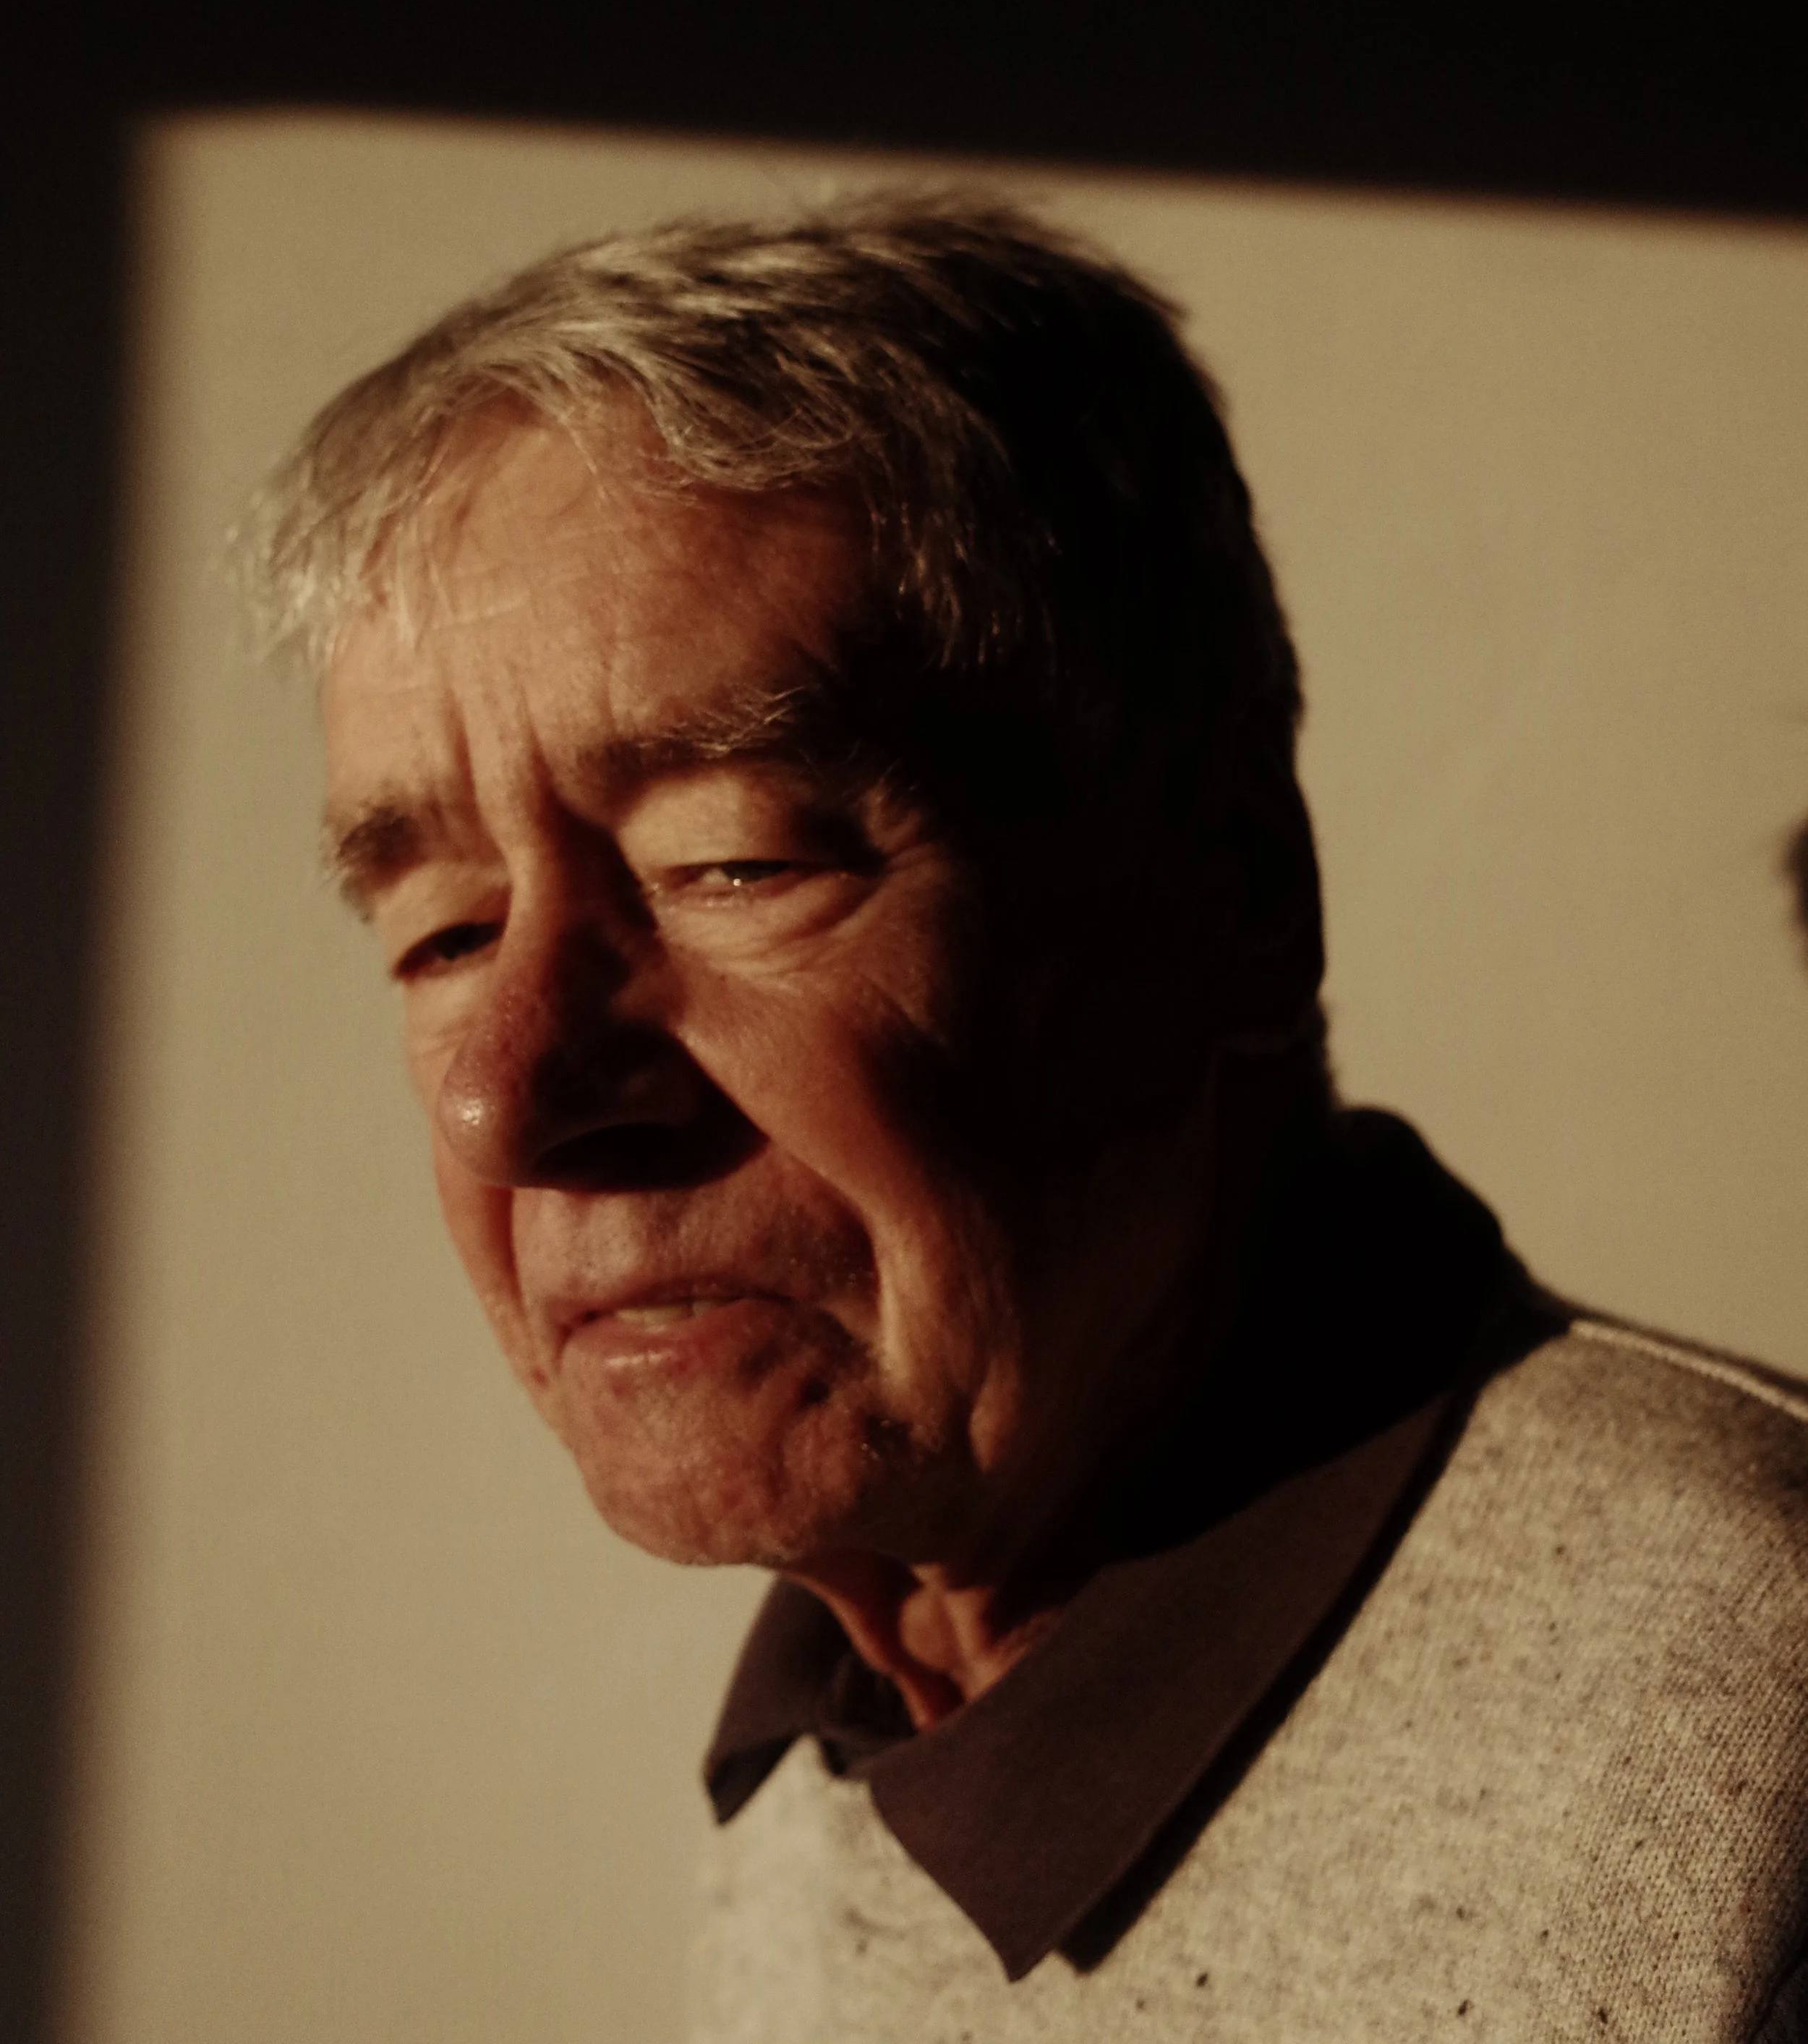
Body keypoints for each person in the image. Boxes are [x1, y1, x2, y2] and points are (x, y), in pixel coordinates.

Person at [246, 195, 1808, 2042]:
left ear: (1231, 887)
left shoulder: (1748, 1742)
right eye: (440, 933)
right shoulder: (837, 1724)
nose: (503, 1093)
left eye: (730, 859)